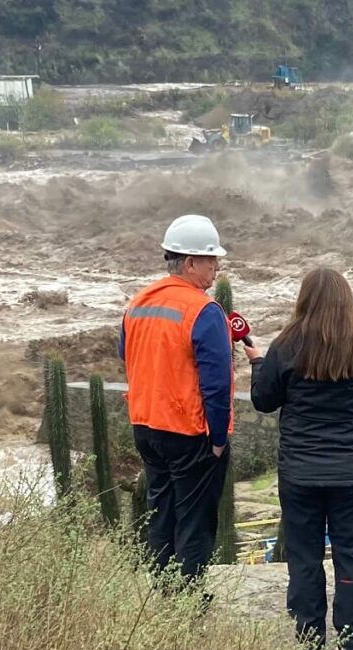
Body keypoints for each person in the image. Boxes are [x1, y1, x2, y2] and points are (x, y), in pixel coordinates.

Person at [249, 268, 353, 650]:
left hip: (299, 472)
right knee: (351, 554)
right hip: (350, 472)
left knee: (304, 556)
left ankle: (308, 639)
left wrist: (258, 362)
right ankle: (352, 645)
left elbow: (263, 400)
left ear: (303, 299)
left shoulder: (285, 345)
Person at [119, 214, 249, 587]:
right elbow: (216, 386)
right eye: (211, 261)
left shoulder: (139, 302)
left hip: (145, 425)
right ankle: (187, 599)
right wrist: (220, 439)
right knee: (195, 520)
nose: (217, 268)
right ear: (190, 262)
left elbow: (125, 352)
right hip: (188, 432)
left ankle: (162, 589)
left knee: (161, 511)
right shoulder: (204, 311)